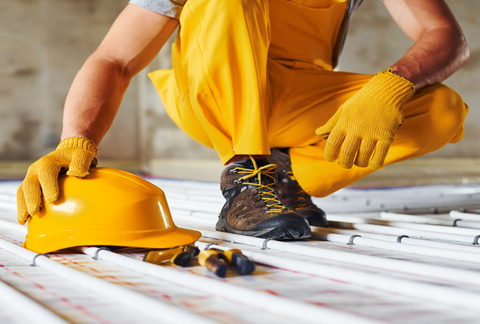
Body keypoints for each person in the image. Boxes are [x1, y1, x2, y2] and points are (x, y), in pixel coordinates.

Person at [17, 0, 469, 241]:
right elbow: (114, 59)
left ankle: (285, 176)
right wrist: (75, 141)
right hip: (212, 94)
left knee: (442, 108)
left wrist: (390, 85)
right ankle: (246, 181)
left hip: (292, 101)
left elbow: (446, 37)